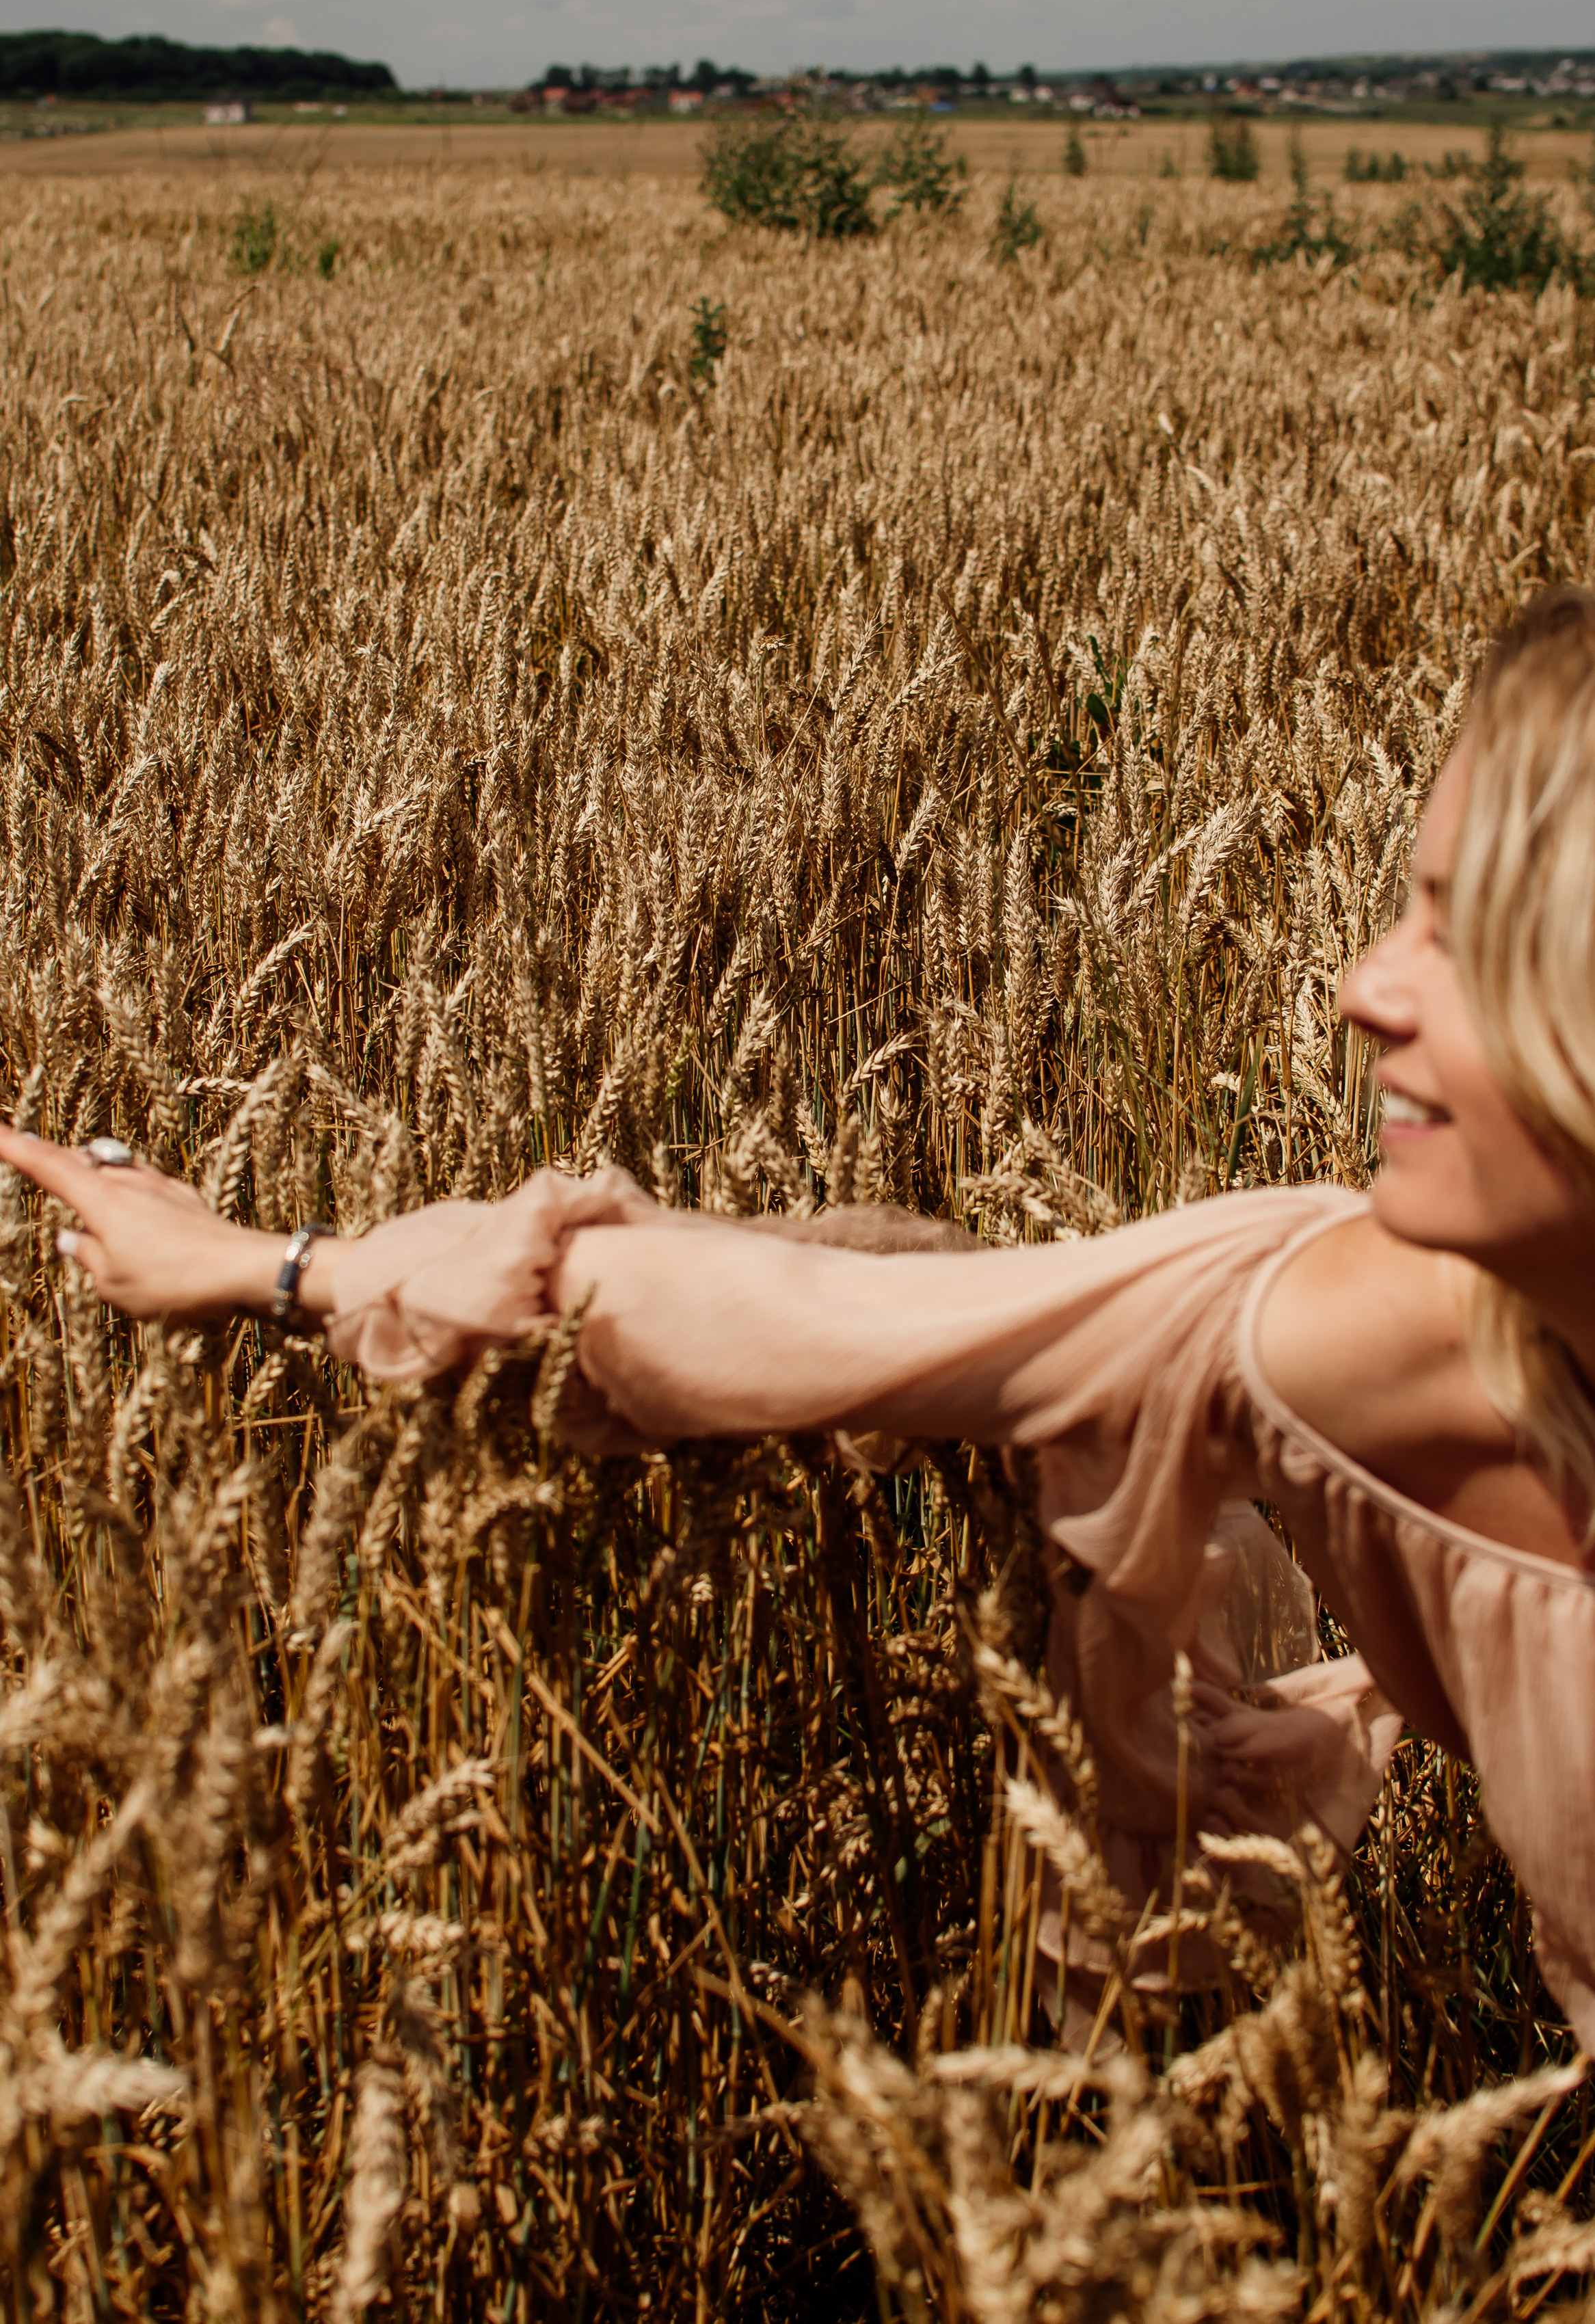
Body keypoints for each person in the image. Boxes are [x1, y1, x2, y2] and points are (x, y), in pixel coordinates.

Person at [5, 587, 1595, 2044]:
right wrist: (277, 1268)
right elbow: (786, 1311)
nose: (1358, 986)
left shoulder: (1404, 1323)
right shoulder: (1397, 1323)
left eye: (1460, 937)